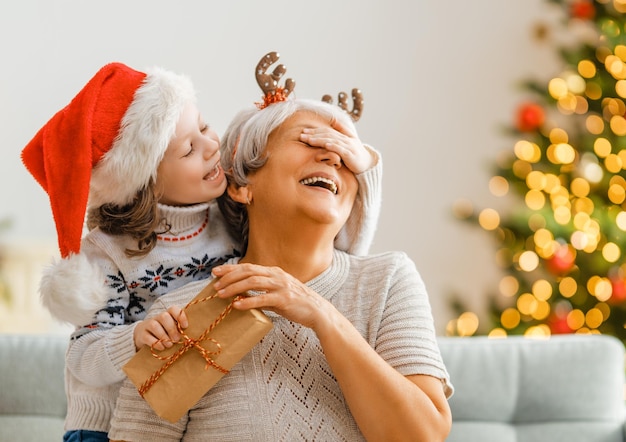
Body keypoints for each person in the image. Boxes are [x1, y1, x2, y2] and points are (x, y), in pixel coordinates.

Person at [21, 58, 382, 441]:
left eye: (206, 127)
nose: (213, 147)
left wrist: (365, 166)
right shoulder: (109, 252)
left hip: (192, 393)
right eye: (189, 149)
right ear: (147, 184)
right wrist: (136, 337)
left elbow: (336, 247)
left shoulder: (227, 215)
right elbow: (82, 358)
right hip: (107, 424)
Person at [108, 70, 453, 441]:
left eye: (345, 152)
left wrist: (321, 315)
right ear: (242, 185)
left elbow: (424, 436)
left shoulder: (387, 281)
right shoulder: (184, 316)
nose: (332, 156)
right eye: (308, 140)